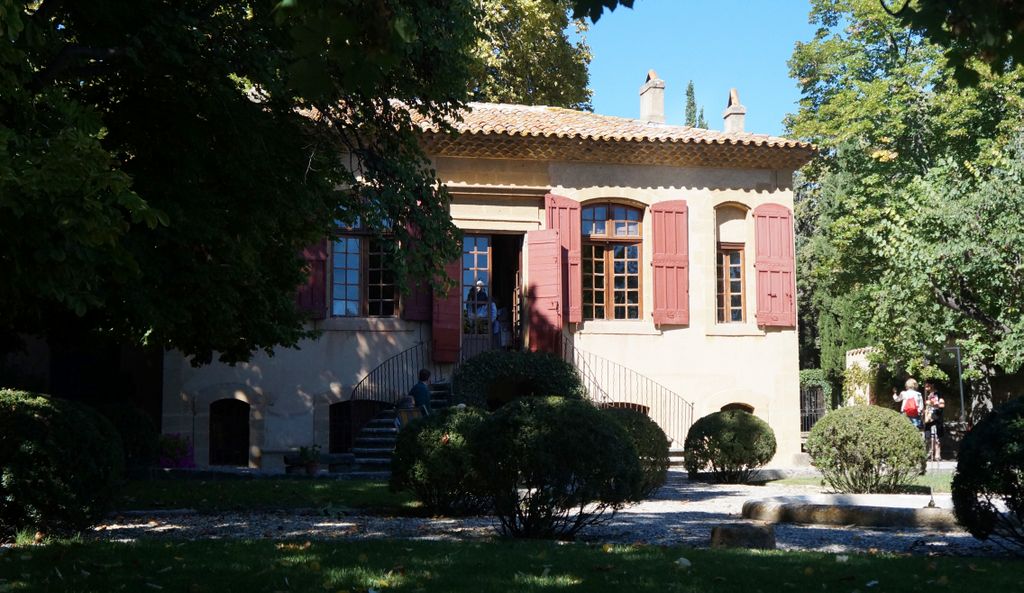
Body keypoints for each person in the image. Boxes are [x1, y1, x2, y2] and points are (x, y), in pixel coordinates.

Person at [923, 380, 946, 461]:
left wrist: (931, 403)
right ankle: (929, 453)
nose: (926, 386)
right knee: (927, 435)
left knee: (937, 436)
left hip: (936, 416)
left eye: (927, 384)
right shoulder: (927, 394)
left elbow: (942, 405)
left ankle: (937, 454)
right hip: (928, 417)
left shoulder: (938, 394)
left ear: (932, 385)